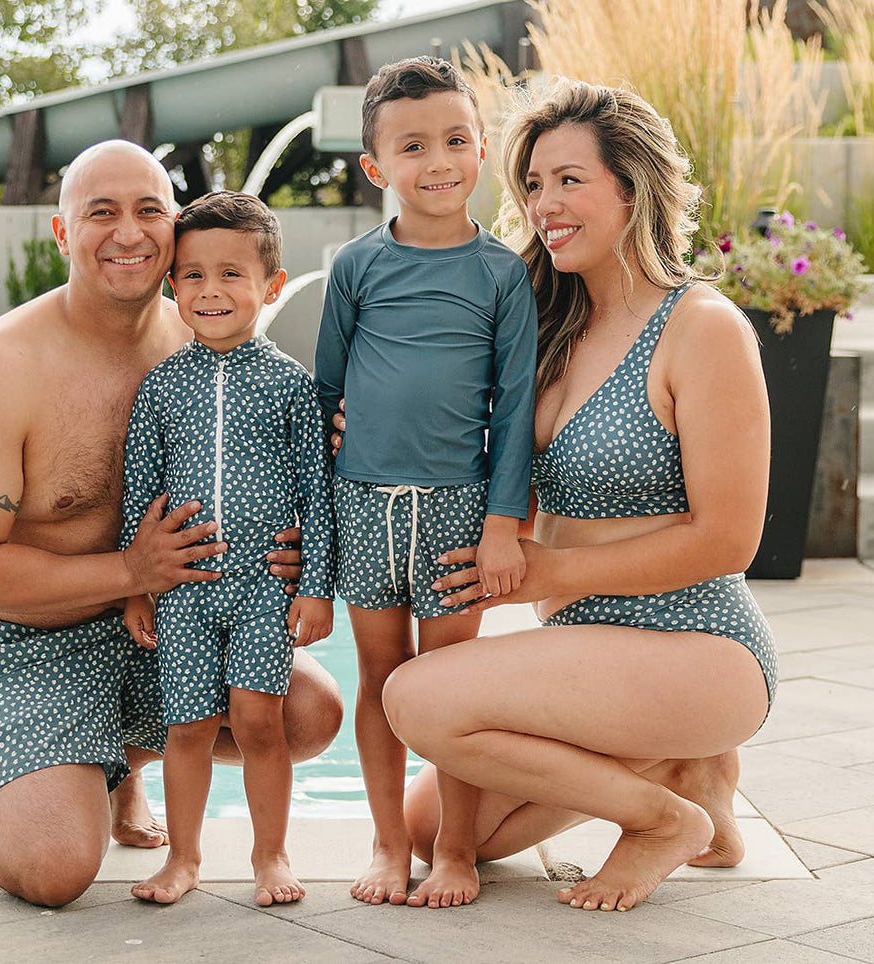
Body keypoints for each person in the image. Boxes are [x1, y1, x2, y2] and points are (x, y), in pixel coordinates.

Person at [375, 79, 780, 913]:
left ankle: (661, 820)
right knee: (436, 830)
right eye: (531, 183)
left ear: (632, 189)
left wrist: (547, 573)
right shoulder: (546, 322)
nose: (543, 203)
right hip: (593, 657)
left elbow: (727, 541)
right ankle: (685, 771)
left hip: (697, 647)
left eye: (568, 180)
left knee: (418, 697)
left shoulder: (701, 328)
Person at [0, 141, 342, 909]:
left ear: (175, 227)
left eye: (149, 210)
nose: (128, 232)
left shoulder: (204, 338)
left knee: (307, 715)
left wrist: (295, 525)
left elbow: (291, 461)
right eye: (101, 213)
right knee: (54, 870)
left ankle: (118, 765)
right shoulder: (0, 367)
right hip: (25, 635)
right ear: (60, 233)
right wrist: (129, 573)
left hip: (166, 617)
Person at [313, 57, 538, 909]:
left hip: (456, 508)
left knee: (447, 690)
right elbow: (325, 392)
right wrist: (323, 502)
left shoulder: (500, 275)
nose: (437, 160)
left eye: (454, 139)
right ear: (377, 168)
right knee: (379, 677)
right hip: (363, 501)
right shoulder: (356, 268)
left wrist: (501, 524)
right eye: (413, 146)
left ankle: (455, 851)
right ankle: (385, 842)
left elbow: (513, 409)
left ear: (481, 149)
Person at [118, 191, 336, 906]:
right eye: (193, 275)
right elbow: (140, 495)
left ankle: (270, 856)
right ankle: (182, 859)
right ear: (171, 284)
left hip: (262, 591)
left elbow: (316, 490)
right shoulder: (161, 388)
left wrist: (315, 587)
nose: (211, 291)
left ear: (270, 285)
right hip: (184, 592)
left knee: (257, 722)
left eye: (231, 274)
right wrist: (134, 586)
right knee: (185, 727)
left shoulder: (289, 386)